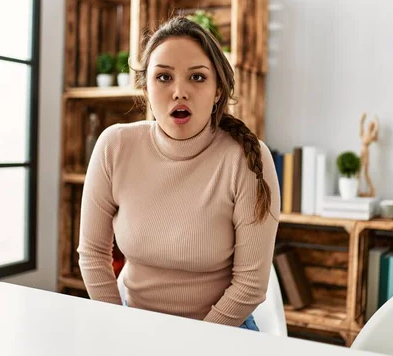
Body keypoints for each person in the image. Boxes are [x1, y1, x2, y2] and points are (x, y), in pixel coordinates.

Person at [77, 16, 281, 332]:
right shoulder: (114, 146)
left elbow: (251, 285)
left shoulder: (248, 159)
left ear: (217, 91)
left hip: (219, 330)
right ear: (145, 88)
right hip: (131, 322)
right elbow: (92, 255)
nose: (179, 92)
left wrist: (190, 344)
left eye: (197, 78)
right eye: (164, 77)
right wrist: (117, 327)